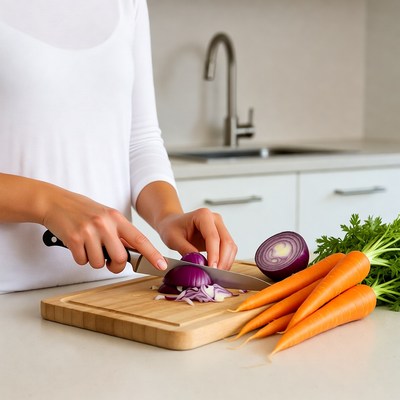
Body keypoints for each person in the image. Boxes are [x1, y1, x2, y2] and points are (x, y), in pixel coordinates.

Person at [0, 0, 237, 293]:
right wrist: (46, 203)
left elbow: (140, 140)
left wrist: (168, 216)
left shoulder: (128, 4)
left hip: (111, 291)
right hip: (7, 292)